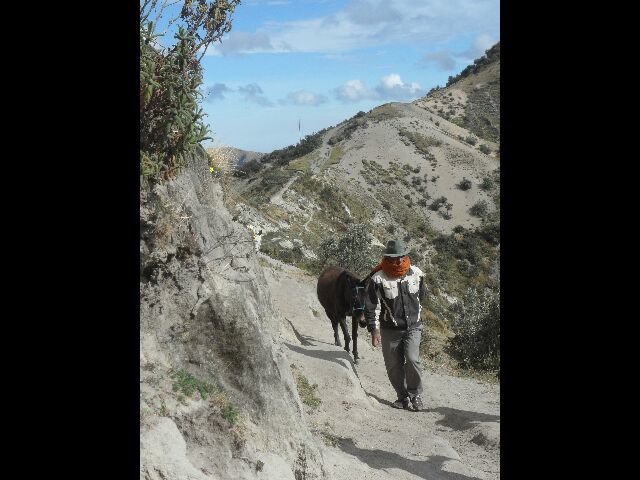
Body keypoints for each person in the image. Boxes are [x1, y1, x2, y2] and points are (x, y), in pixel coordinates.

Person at [364, 239, 427, 411]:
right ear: (387, 258)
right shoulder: (378, 279)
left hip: (413, 326)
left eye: (401, 257)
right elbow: (372, 307)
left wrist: (416, 315)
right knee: (393, 366)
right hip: (389, 330)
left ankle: (415, 395)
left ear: (406, 256)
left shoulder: (416, 274)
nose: (398, 261)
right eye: (394, 258)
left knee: (413, 359)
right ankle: (402, 396)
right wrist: (374, 330)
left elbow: (421, 297)